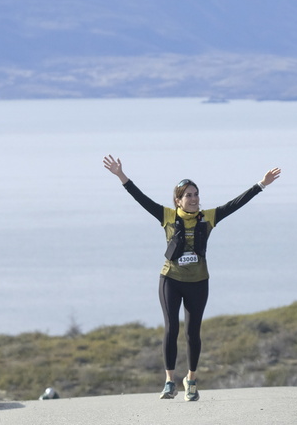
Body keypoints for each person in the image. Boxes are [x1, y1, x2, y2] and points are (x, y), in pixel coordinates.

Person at [103, 155, 281, 401]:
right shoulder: (166, 215)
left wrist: (261, 184)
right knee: (171, 328)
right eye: (188, 195)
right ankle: (169, 381)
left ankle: (191, 380)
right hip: (171, 279)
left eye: (196, 194)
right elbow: (140, 197)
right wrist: (121, 176)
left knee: (193, 332)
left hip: (198, 282)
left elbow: (235, 204)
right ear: (178, 200)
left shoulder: (208, 217)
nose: (194, 198)